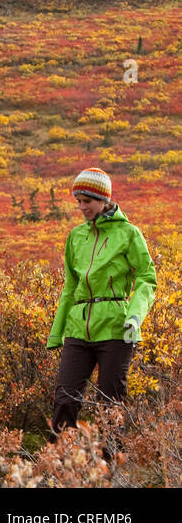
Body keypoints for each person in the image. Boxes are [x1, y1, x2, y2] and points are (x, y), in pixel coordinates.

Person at [46, 168, 156, 437]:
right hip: (77, 327)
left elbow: (147, 278)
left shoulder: (129, 234)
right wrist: (57, 332)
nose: (82, 207)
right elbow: (70, 288)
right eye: (79, 201)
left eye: (88, 201)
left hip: (117, 328)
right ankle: (62, 468)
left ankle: (109, 472)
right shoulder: (75, 237)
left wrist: (134, 316)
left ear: (105, 200)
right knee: (64, 401)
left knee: (110, 404)